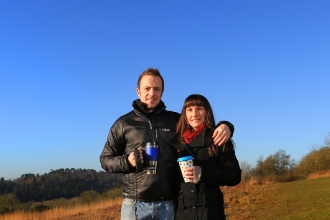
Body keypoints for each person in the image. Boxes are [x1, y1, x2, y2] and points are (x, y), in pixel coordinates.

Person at [100, 68, 235, 220]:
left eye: (157, 89)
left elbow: (200, 124)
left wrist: (226, 125)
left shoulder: (175, 120)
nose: (152, 93)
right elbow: (105, 160)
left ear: (162, 92)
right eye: (147, 88)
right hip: (135, 206)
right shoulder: (123, 124)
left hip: (169, 205)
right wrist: (127, 161)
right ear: (138, 91)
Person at [167, 94, 241, 220]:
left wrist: (203, 173)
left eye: (199, 109)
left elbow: (234, 175)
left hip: (209, 212)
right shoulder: (175, 143)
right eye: (189, 110)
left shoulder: (217, 138)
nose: (194, 114)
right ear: (184, 114)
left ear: (207, 112)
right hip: (181, 213)